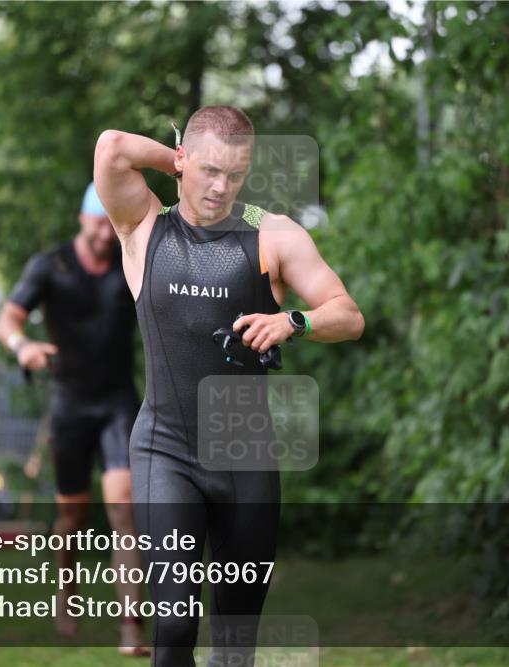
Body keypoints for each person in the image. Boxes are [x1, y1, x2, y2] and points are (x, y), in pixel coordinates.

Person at [94, 106, 364, 666]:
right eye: (209, 170)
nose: (221, 187)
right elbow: (113, 146)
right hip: (164, 449)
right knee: (173, 628)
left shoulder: (273, 235)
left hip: (246, 458)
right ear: (183, 159)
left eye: (236, 174)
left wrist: (294, 322)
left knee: (235, 647)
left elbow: (348, 315)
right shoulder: (143, 226)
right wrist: (176, 161)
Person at [0, 183, 150, 657]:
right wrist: (23, 346)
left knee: (124, 507)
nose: (104, 233)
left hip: (118, 401)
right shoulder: (51, 266)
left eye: (111, 224)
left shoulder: (131, 264)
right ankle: (67, 589)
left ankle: (131, 626)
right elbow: (7, 320)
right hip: (70, 404)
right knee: (72, 514)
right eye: (97, 222)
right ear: (82, 218)